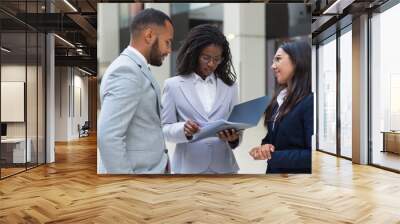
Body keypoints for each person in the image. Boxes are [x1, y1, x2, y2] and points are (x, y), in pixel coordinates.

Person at [98, 9, 174, 174]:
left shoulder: (136, 67)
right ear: (149, 36)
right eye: (167, 42)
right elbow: (109, 138)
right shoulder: (126, 71)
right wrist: (127, 188)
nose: (169, 50)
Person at [161, 24, 241, 174]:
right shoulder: (173, 85)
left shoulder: (230, 87)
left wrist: (234, 138)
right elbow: (165, 128)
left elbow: (236, 125)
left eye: (217, 59)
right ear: (194, 54)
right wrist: (183, 129)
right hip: (188, 168)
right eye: (206, 58)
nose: (211, 64)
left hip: (224, 168)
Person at [249, 40, 313, 174]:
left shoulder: (309, 102)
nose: (273, 66)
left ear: (297, 60)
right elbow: (271, 138)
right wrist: (265, 147)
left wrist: (274, 156)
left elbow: (313, 155)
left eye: (278, 59)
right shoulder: (279, 100)